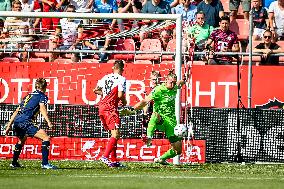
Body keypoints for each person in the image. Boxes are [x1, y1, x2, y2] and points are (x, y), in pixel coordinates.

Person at [126, 70, 187, 165]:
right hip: (161, 119)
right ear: (166, 80)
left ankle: (161, 159)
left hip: (171, 122)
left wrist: (184, 79)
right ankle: (149, 137)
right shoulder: (158, 90)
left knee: (178, 150)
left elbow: (180, 83)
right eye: (171, 82)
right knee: (155, 115)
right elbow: (145, 101)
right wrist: (132, 110)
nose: (173, 84)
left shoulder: (174, 87)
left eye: (174, 82)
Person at [4, 78, 56, 169]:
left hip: (17, 121)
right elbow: (42, 108)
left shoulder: (28, 96)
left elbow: (17, 110)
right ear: (45, 87)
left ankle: (14, 163)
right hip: (25, 121)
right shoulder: (42, 96)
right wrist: (48, 122)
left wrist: (9, 125)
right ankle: (45, 164)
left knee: (22, 140)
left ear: (36, 86)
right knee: (46, 138)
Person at [94, 60, 127, 168]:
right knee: (116, 134)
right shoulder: (122, 79)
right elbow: (120, 94)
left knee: (114, 134)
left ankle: (114, 161)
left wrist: (105, 93)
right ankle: (105, 156)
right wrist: (124, 102)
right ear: (122, 69)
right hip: (110, 109)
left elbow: (95, 90)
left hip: (101, 107)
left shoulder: (105, 77)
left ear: (113, 68)